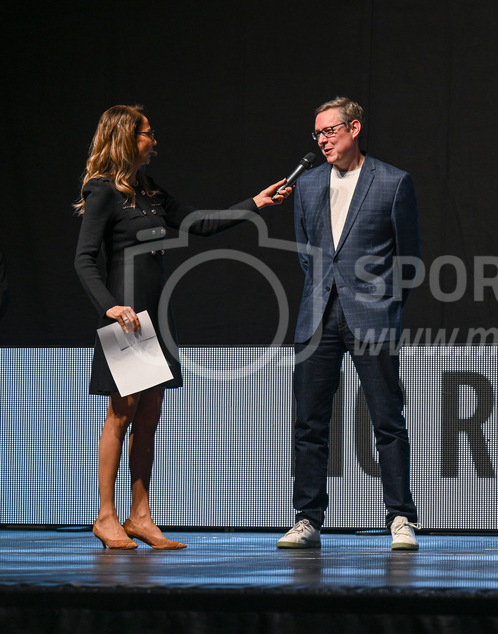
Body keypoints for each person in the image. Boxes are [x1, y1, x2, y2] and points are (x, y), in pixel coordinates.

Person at [74, 105, 291, 550]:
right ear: (125, 139)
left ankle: (140, 515)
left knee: (150, 416)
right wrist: (111, 307)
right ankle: (105, 516)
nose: (155, 142)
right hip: (127, 317)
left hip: (156, 318)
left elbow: (198, 223)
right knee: (122, 412)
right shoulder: (102, 192)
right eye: (147, 134)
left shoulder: (149, 191)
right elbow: (83, 259)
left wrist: (255, 204)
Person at [277, 97, 421, 551]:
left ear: (354, 128)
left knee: (387, 421)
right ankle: (307, 518)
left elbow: (409, 258)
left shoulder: (392, 181)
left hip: (372, 315)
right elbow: (306, 252)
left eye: (330, 131)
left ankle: (400, 517)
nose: (323, 141)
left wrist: (387, 305)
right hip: (317, 315)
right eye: (317, 134)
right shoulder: (308, 184)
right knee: (309, 421)